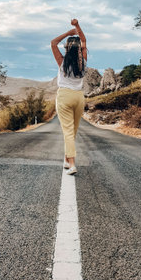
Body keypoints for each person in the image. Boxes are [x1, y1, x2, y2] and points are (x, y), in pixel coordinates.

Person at [51, 19, 87, 175]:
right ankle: (66, 160)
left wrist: (68, 32)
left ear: (66, 47)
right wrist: (77, 26)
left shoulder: (62, 61)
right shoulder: (83, 61)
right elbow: (84, 40)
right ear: (79, 48)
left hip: (65, 96)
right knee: (73, 131)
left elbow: (53, 43)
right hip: (79, 97)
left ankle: (72, 164)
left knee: (67, 132)